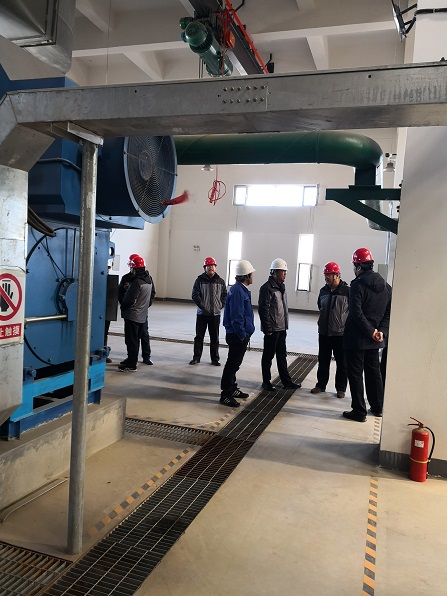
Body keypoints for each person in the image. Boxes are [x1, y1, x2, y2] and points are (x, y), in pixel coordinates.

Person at [343, 248, 392, 422]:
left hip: (357, 339)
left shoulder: (357, 285)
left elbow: (356, 314)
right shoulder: (386, 286)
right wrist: (380, 332)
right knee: (373, 373)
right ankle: (377, 407)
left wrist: (371, 332)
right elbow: (388, 312)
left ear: (358, 267)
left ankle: (359, 411)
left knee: (355, 374)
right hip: (375, 340)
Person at [258, 258, 301, 391]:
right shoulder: (266, 288)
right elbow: (263, 309)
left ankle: (287, 382)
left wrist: (284, 326)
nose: (285, 274)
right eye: (283, 272)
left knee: (282, 356)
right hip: (272, 330)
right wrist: (267, 328)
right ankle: (266, 382)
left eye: (285, 272)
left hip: (281, 328)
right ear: (275, 272)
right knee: (268, 356)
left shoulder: (281, 287)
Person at [220, 260, 256, 407]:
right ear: (246, 276)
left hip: (240, 334)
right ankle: (226, 394)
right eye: (251, 274)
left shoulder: (241, 290)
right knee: (232, 364)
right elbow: (237, 316)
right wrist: (241, 335)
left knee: (235, 363)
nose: (253, 276)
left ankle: (233, 388)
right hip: (237, 335)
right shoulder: (238, 291)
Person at [311, 262, 349, 398]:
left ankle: (341, 388)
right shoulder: (323, 291)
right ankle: (321, 385)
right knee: (323, 360)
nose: (326, 277)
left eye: (329, 275)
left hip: (341, 334)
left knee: (342, 362)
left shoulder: (347, 291)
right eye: (325, 275)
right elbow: (320, 306)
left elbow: (352, 312)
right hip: (324, 332)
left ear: (337, 275)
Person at [118, 255, 155, 372]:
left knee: (132, 340)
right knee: (136, 339)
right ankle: (131, 359)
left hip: (132, 315)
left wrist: (123, 307)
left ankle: (131, 364)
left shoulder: (137, 282)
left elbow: (129, 300)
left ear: (134, 268)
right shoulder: (148, 280)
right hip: (141, 314)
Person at [190, 257, 227, 366]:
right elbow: (195, 294)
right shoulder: (199, 280)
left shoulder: (220, 281)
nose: (211, 267)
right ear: (205, 268)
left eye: (212, 265)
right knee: (199, 337)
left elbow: (224, 295)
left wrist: (220, 305)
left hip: (215, 314)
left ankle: (215, 359)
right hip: (202, 314)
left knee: (214, 338)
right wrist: (202, 305)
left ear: (215, 267)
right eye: (208, 266)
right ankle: (196, 358)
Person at [104, 264, 119, 363]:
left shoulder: (110, 281)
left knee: (104, 333)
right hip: (96, 312)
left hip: (106, 311)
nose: (107, 270)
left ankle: (103, 353)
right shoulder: (93, 279)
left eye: (108, 268)